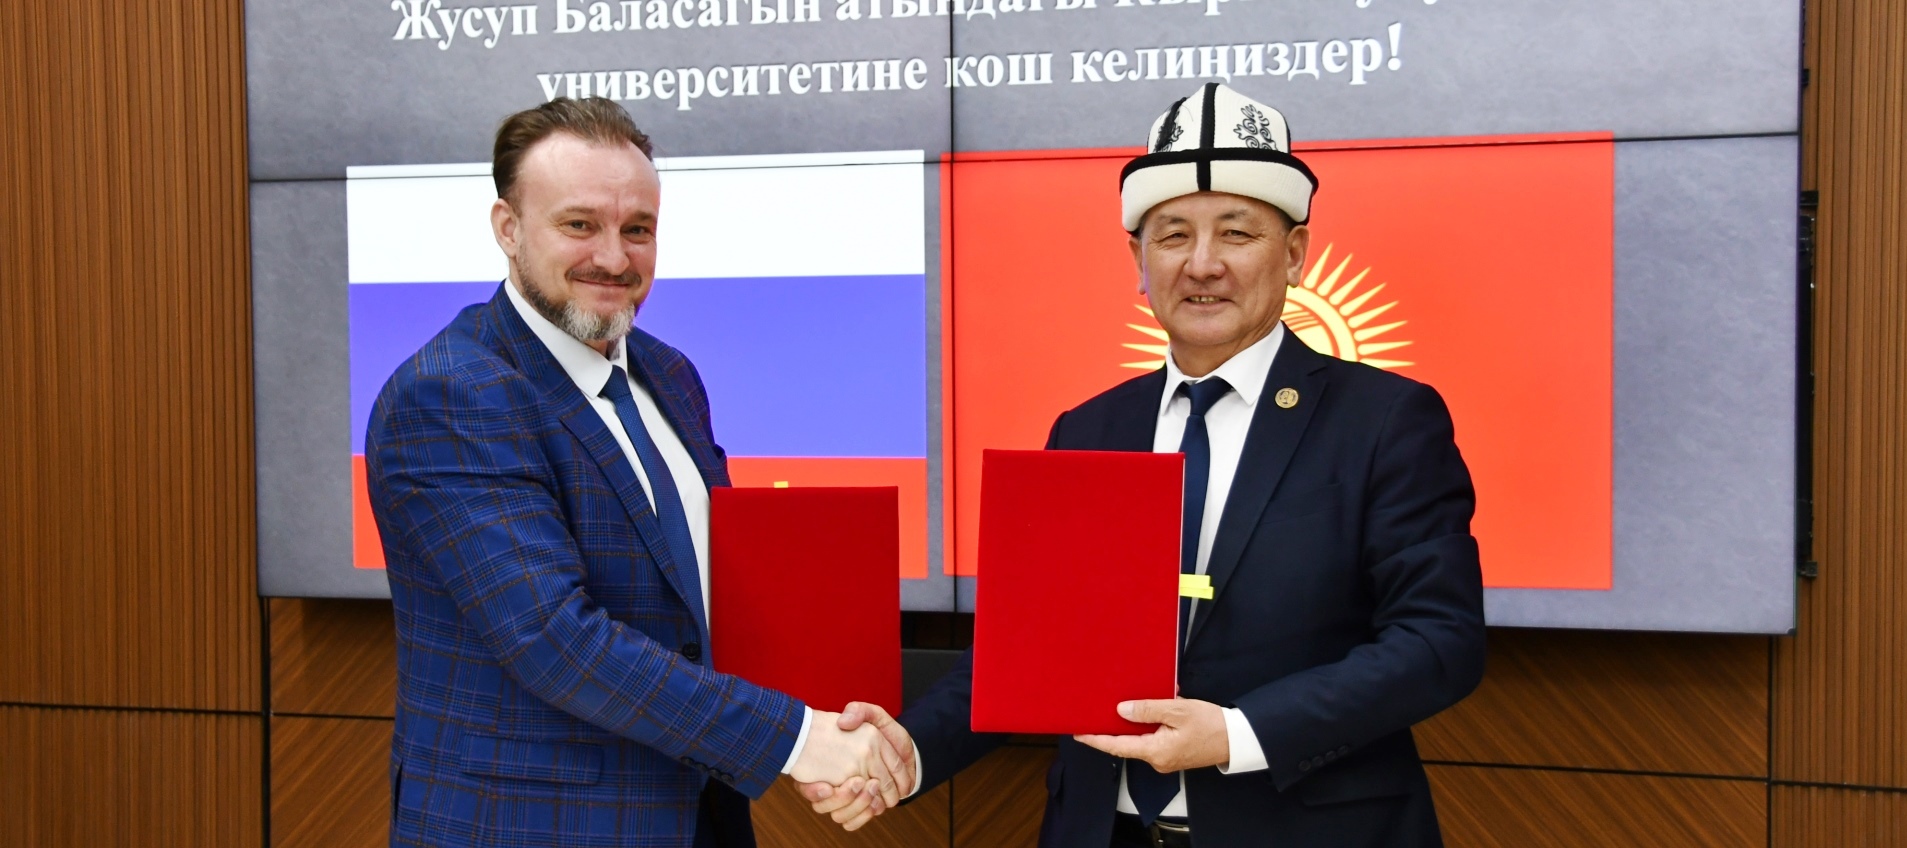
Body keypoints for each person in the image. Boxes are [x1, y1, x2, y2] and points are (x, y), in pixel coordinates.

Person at [804, 83, 1487, 846]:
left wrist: (1235, 733)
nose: (1203, 265)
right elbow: (1025, 649)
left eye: (1237, 233)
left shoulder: (1385, 421)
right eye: (1172, 236)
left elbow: (1439, 641)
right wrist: (910, 751)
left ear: (1295, 254)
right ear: (1138, 259)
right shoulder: (1089, 429)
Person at [364, 97, 909, 848]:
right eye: (579, 225)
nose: (615, 259)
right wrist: (801, 739)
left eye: (638, 230)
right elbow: (554, 638)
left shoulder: (669, 374)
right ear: (508, 228)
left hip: (699, 815)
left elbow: (705, 601)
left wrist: (837, 719)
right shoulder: (452, 393)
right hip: (529, 828)